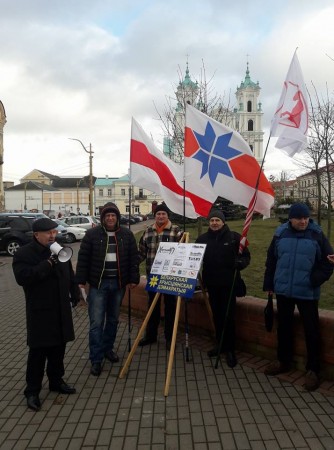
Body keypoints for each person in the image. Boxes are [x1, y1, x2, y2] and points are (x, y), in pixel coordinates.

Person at [263, 202, 333, 391]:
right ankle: (283, 361)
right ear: (291, 219)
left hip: (307, 292)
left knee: (312, 331)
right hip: (284, 291)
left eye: (306, 218)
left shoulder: (317, 235)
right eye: (299, 218)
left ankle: (313, 370)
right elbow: (271, 261)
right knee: (284, 327)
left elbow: (329, 262)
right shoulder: (280, 234)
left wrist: (314, 280)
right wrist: (269, 284)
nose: (303, 221)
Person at [12, 218, 79, 412]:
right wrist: (48, 264)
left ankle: (56, 381)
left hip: (60, 307)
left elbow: (69, 273)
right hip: (40, 310)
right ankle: (32, 391)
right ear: (36, 235)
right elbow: (23, 277)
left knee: (59, 348)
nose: (53, 235)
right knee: (38, 352)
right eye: (48, 233)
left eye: (54, 232)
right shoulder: (24, 253)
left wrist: (74, 292)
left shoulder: (60, 248)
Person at [75, 202, 139, 377]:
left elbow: (134, 257)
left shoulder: (126, 234)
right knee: (96, 323)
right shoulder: (92, 235)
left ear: (117, 217)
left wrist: (133, 278)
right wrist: (80, 280)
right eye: (107, 216)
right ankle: (96, 359)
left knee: (112, 320)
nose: (110, 218)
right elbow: (83, 258)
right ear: (103, 218)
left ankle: (107, 349)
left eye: (113, 215)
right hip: (98, 285)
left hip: (118, 285)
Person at [196, 209, 250, 368]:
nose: (214, 223)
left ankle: (230, 349)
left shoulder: (234, 238)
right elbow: (195, 258)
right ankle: (219, 344)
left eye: (217, 220)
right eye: (212, 220)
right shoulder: (202, 239)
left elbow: (246, 256)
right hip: (212, 284)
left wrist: (241, 263)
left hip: (229, 284)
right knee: (217, 316)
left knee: (228, 317)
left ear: (223, 222)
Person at [138, 203, 183, 350]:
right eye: (158, 214)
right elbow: (142, 252)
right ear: (155, 216)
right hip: (153, 275)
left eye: (163, 214)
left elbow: (183, 253)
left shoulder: (176, 231)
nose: (161, 216)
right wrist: (131, 263)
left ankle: (170, 338)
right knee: (152, 306)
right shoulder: (148, 231)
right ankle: (151, 335)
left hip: (170, 276)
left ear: (167, 216)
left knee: (170, 306)